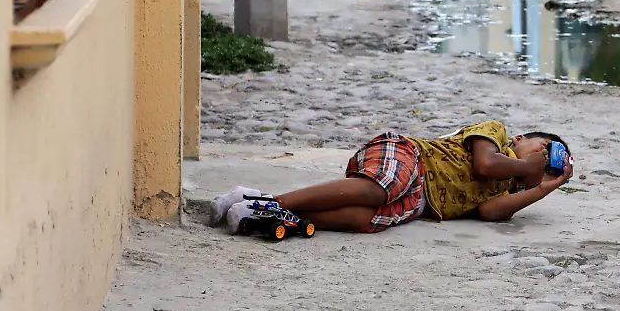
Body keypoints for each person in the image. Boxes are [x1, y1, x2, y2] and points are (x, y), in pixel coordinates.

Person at [209, 120, 573, 234]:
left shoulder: (514, 186)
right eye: (543, 150)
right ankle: (267, 203)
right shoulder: (494, 132)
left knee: (367, 220)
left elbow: (491, 212)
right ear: (521, 139)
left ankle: (270, 209)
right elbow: (485, 165)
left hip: (420, 202)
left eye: (550, 165)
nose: (543, 161)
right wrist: (527, 167)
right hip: (411, 157)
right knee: (382, 188)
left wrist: (543, 187)